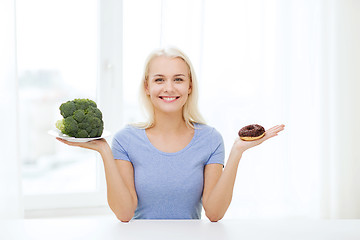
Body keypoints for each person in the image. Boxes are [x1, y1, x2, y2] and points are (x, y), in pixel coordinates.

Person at [57, 47, 285, 222]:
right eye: (159, 79)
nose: (169, 88)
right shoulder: (126, 140)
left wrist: (237, 152)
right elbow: (125, 214)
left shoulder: (210, 140)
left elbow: (214, 213)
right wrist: (105, 152)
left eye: (178, 79)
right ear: (147, 87)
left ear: (189, 86)